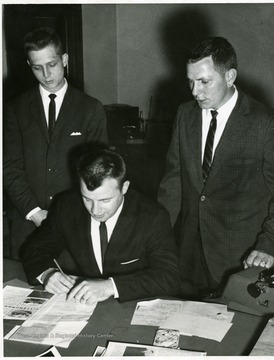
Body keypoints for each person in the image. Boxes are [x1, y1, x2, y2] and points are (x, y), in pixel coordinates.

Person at [158, 37, 274, 299]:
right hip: (189, 256)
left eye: (204, 81)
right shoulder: (185, 114)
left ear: (230, 76)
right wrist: (155, 235)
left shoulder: (268, 124)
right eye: (191, 81)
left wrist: (270, 244)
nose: (195, 91)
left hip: (243, 257)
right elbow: (173, 181)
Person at [21, 150, 180, 304]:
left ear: (124, 188)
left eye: (105, 200)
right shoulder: (67, 207)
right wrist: (47, 274)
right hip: (85, 307)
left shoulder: (152, 217)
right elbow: (35, 249)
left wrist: (110, 286)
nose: (95, 210)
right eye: (87, 199)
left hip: (134, 305)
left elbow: (169, 276)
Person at [3, 27, 108, 259]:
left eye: (52, 65)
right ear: (29, 66)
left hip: (75, 227)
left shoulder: (90, 109)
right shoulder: (15, 109)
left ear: (65, 60)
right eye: (37, 68)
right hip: (27, 225)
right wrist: (34, 212)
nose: (46, 74)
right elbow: (9, 168)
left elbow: (99, 174)